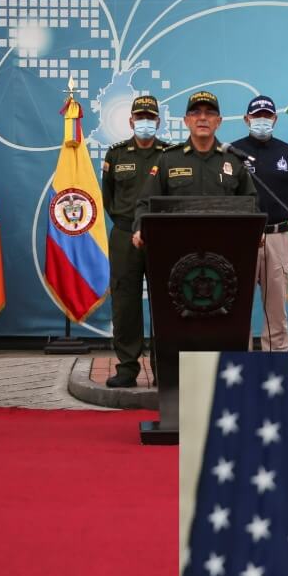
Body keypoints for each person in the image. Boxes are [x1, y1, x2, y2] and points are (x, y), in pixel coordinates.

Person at [101, 94, 170, 388]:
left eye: (150, 118)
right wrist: (127, 223)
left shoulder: (170, 153)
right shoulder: (116, 155)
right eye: (140, 117)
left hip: (163, 236)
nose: (145, 122)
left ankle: (163, 367)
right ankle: (127, 367)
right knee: (125, 302)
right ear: (130, 121)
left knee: (166, 302)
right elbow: (108, 198)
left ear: (158, 121)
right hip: (125, 234)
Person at [229, 94, 288, 352]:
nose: (261, 120)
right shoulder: (232, 154)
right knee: (236, 306)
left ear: (274, 118)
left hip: (277, 237)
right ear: (246, 119)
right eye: (256, 116)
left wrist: (275, 219)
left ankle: (275, 364)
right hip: (241, 238)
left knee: (276, 310)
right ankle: (239, 364)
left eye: (267, 116)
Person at [131, 90, 257, 246]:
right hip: (176, 246)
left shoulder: (233, 159)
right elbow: (145, 203)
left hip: (225, 247)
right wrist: (140, 228)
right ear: (186, 121)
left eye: (209, 113)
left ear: (218, 121)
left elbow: (251, 203)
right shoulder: (168, 159)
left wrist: (256, 231)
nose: (202, 118)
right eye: (196, 113)